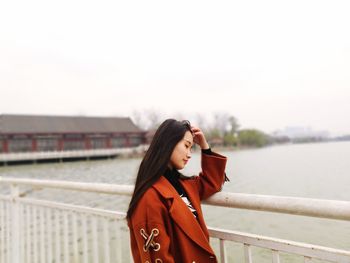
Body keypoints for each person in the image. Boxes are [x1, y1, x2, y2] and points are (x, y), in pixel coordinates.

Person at [127, 119, 228, 263]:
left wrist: (205, 147)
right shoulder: (150, 197)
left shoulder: (185, 185)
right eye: (186, 146)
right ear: (168, 144)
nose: (189, 154)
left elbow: (212, 183)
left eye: (191, 148)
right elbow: (158, 257)